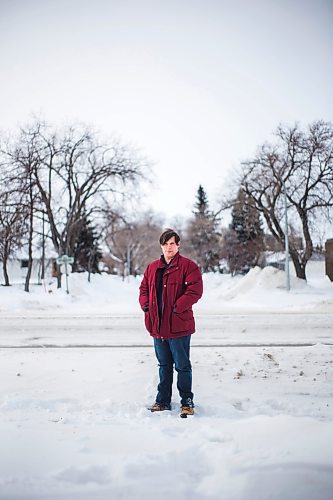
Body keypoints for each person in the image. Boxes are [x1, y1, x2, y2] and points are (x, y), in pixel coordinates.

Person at [139, 228, 203, 417]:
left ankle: (187, 402)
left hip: (179, 326)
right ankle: (163, 401)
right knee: (164, 365)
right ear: (161, 245)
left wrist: (177, 307)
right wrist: (146, 306)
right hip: (157, 325)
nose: (169, 247)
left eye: (172, 244)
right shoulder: (152, 268)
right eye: (166, 244)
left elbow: (195, 291)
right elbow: (143, 289)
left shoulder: (188, 266)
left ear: (178, 245)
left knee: (182, 366)